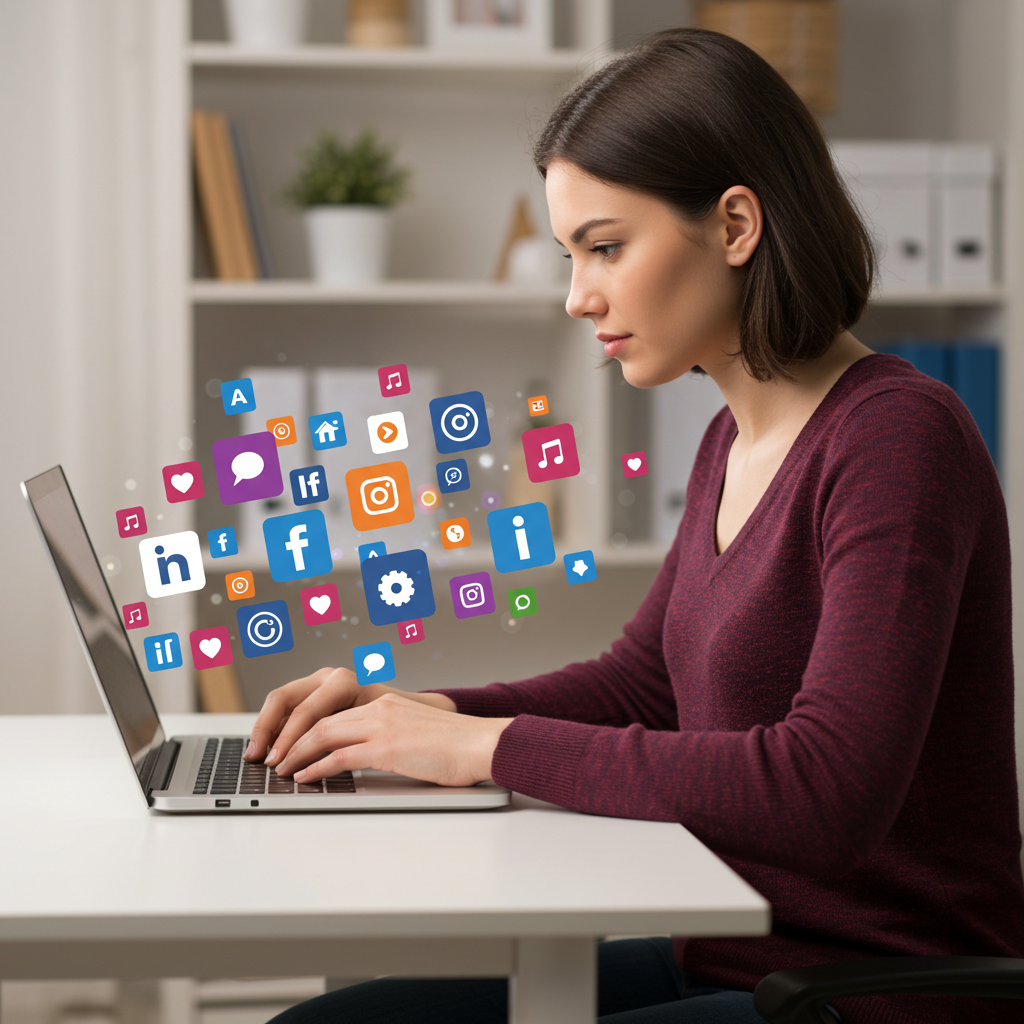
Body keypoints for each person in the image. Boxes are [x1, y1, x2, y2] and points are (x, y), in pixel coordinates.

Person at [248, 28, 1024, 1024]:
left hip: (870, 994)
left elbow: (826, 787)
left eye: (606, 247)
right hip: (734, 957)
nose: (579, 296)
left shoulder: (895, 440)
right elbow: (643, 683)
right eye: (574, 255)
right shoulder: (731, 440)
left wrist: (486, 748)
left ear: (736, 224)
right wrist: (415, 715)